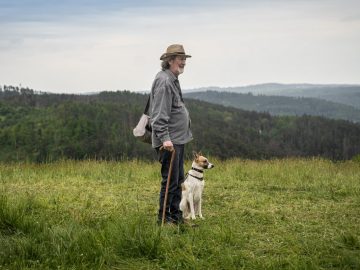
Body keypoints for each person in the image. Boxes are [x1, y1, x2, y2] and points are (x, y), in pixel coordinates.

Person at [149, 44, 193, 225]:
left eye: (184, 59)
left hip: (177, 140)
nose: (183, 62)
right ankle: (164, 219)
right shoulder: (165, 81)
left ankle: (175, 217)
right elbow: (159, 116)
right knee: (170, 181)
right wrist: (166, 139)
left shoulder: (172, 78)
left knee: (177, 180)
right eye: (179, 58)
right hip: (170, 142)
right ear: (169, 60)